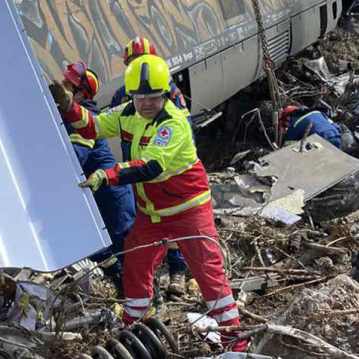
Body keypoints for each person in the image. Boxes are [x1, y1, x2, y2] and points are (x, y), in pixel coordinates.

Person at [51, 55, 247, 352]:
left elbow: (151, 166)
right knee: (136, 262)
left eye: (153, 97)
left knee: (208, 273)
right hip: (153, 213)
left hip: (188, 211)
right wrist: (68, 105)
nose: (145, 103)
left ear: (165, 94)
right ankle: (136, 324)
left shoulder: (173, 123)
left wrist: (107, 175)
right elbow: (94, 126)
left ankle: (236, 341)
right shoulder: (128, 112)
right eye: (140, 97)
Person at [109, 37, 190, 296]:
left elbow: (184, 129)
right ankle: (148, 279)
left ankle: (178, 271)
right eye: (133, 62)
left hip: (162, 170)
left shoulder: (169, 92)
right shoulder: (122, 95)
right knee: (142, 223)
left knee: (172, 219)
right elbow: (114, 122)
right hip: (135, 171)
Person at [61, 61, 136, 294]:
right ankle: (125, 289)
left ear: (80, 94)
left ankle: (149, 301)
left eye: (67, 85)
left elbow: (76, 156)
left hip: (114, 197)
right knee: (99, 247)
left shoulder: (87, 118)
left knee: (128, 253)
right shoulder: (70, 117)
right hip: (99, 195)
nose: (62, 88)